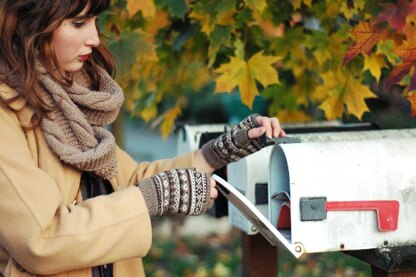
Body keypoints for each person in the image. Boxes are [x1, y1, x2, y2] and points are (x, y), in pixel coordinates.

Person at [0, 0, 286, 276]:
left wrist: (217, 153)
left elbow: (130, 181)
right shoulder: (6, 116)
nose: (95, 39)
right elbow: (42, 240)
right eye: (79, 23)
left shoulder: (63, 100)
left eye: (95, 22)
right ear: (31, 24)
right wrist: (154, 196)